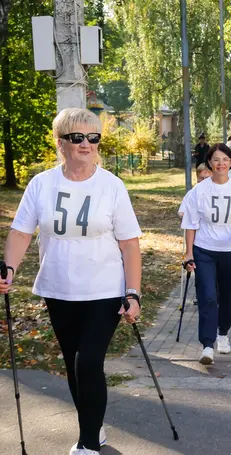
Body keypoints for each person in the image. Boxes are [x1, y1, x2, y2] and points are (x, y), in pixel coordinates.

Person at [0, 108, 142, 455]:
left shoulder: (111, 185)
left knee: (88, 361)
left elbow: (129, 244)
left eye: (93, 137)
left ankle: (88, 443)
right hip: (59, 288)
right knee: (72, 364)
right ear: (60, 142)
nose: (86, 144)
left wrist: (133, 292)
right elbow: (21, 233)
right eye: (77, 137)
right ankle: (94, 425)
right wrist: (8, 269)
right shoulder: (41, 183)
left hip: (104, 289)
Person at [181, 143, 231, 365]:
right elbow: (190, 223)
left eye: (225, 159)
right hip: (204, 250)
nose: (220, 163)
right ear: (209, 163)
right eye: (216, 159)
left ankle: (223, 332)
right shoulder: (199, 191)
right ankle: (207, 344)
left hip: (230, 251)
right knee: (207, 296)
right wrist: (188, 253)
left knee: (226, 298)